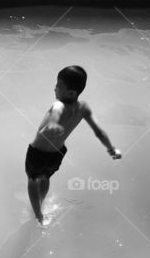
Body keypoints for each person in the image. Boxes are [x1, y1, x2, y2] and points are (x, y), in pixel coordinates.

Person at [26, 65, 121, 224]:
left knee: (32, 180)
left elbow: (56, 113)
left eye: (58, 86)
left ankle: (37, 216)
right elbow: (99, 132)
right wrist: (111, 148)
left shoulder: (58, 104)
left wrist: (54, 124)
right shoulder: (83, 108)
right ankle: (41, 204)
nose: (54, 88)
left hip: (38, 152)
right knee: (45, 177)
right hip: (57, 153)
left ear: (71, 92)